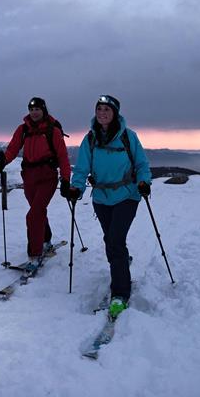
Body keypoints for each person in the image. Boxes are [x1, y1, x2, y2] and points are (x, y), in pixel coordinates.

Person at [66, 95, 151, 319]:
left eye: (107, 109)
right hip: (102, 198)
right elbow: (82, 168)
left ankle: (120, 292)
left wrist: (143, 182)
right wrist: (76, 188)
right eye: (99, 109)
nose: (102, 113)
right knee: (111, 240)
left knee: (115, 240)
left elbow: (141, 163)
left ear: (115, 113)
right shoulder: (90, 139)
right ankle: (121, 262)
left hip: (127, 195)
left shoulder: (128, 137)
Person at [0, 97, 71, 272]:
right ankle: (46, 239)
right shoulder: (23, 129)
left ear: (43, 110)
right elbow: (13, 148)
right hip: (29, 177)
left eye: (37, 109)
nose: (34, 112)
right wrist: (3, 161)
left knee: (33, 215)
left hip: (47, 177)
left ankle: (34, 255)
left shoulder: (53, 131)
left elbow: (63, 157)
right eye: (31, 109)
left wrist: (66, 179)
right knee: (38, 211)